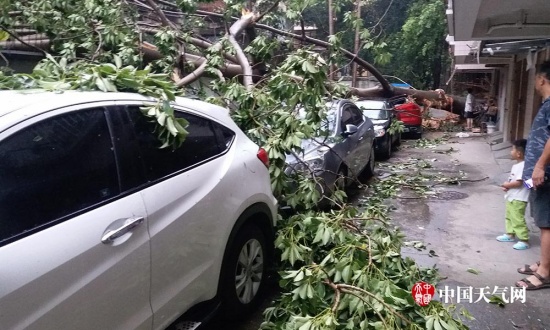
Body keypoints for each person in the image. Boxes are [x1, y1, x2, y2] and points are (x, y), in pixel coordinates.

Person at [516, 60, 550, 290]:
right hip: (537, 175)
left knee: (546, 223)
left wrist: (539, 167)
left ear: (541, 79)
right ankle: (544, 263)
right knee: (542, 220)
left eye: (536, 79)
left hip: (544, 175)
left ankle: (545, 273)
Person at [497, 139, 530, 250]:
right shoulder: (517, 165)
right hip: (512, 196)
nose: (511, 152)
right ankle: (510, 234)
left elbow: (519, 182)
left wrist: (507, 184)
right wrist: (508, 187)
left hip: (519, 197)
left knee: (517, 218)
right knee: (509, 216)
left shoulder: (523, 166)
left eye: (512, 149)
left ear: (519, 153)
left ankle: (524, 240)